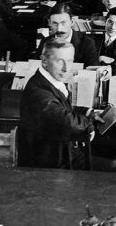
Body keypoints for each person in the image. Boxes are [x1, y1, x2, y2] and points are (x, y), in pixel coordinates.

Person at [18, 39, 96, 169]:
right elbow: (68, 122)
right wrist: (89, 123)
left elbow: (61, 108)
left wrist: (86, 111)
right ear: (44, 61)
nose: (66, 68)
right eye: (59, 61)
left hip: (62, 157)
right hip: (52, 170)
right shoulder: (38, 91)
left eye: (70, 61)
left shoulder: (49, 81)